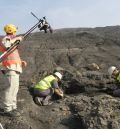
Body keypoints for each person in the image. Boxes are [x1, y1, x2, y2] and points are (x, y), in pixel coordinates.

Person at [0, 24, 27, 117]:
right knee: (10, 88)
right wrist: (17, 38)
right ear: (11, 30)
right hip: (10, 68)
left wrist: (21, 61)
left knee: (15, 89)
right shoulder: (6, 38)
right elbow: (7, 45)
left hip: (15, 67)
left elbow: (12, 55)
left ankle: (13, 107)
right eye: (15, 31)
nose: (16, 33)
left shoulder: (13, 42)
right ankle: (7, 109)